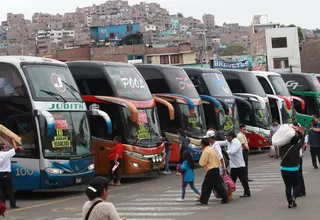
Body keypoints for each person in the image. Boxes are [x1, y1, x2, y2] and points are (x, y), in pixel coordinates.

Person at [217, 131, 251, 198]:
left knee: (243, 181)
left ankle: (247, 192)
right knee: (231, 181)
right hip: (233, 166)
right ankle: (228, 194)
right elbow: (222, 143)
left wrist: (222, 152)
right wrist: (213, 142)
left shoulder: (236, 142)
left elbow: (232, 151)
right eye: (226, 136)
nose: (226, 138)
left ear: (231, 136)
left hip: (240, 165)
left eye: (227, 136)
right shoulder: (228, 141)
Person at [276, 125, 302, 208]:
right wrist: (297, 130)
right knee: (297, 184)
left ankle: (290, 203)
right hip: (294, 169)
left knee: (288, 186)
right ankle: (294, 197)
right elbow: (302, 139)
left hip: (284, 169)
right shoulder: (296, 147)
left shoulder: (282, 147)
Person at [197, 138, 229, 205]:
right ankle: (225, 198)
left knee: (206, 186)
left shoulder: (206, 151)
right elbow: (218, 158)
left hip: (211, 170)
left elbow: (202, 163)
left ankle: (203, 200)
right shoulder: (212, 149)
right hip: (216, 168)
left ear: (203, 144)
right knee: (219, 185)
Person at [0, 139, 23, 209]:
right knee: (9, 190)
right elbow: (15, 149)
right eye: (5, 147)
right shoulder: (5, 154)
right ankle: (13, 204)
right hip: (6, 173)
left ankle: (2, 205)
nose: (6, 148)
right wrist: (13, 140)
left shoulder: (4, 154)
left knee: (1, 190)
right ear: (3, 148)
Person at [292, 122, 306, 197]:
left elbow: (303, 142)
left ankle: (299, 191)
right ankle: (302, 190)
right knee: (299, 174)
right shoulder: (297, 134)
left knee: (298, 174)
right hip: (298, 156)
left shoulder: (297, 135)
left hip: (297, 157)